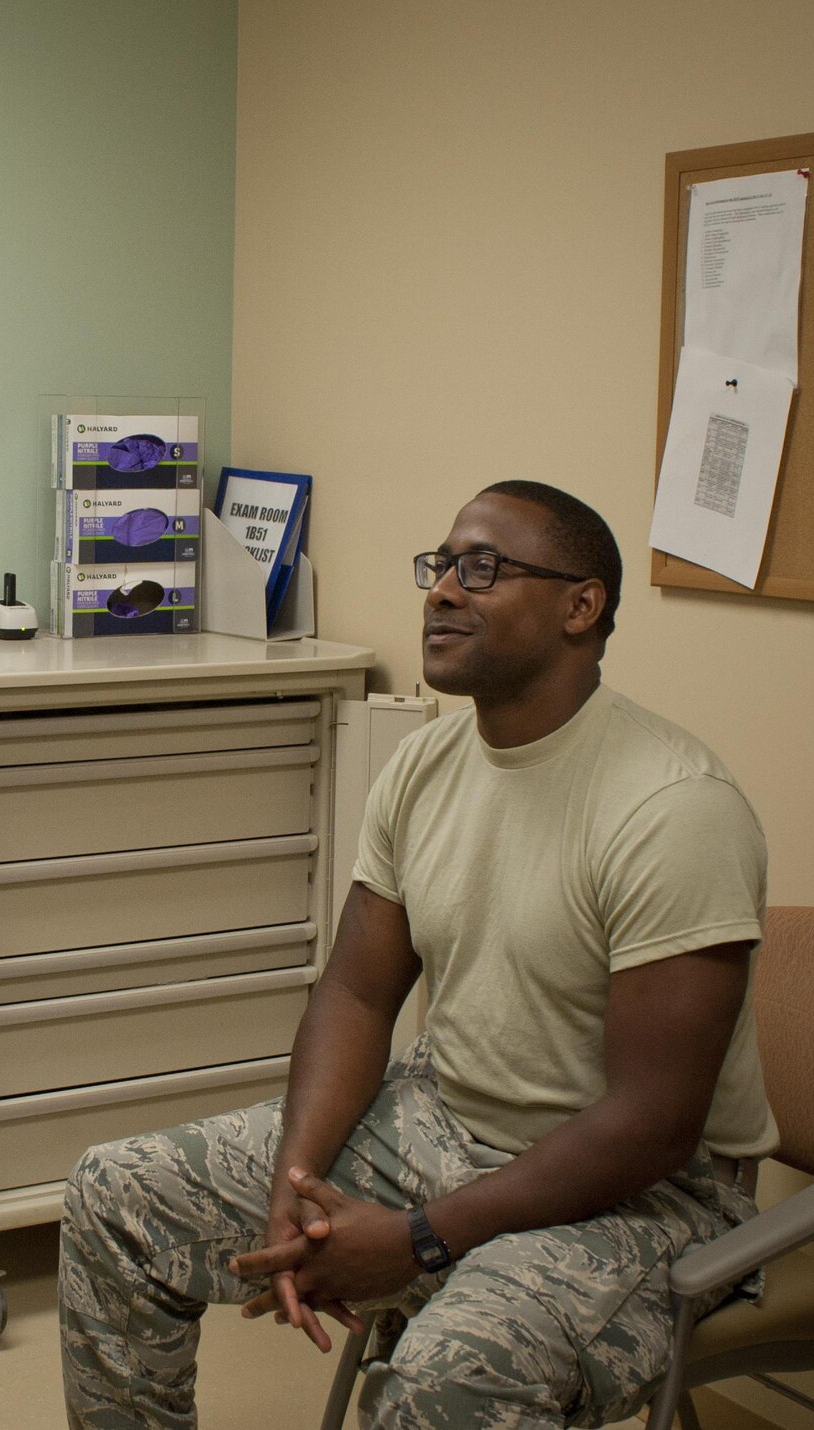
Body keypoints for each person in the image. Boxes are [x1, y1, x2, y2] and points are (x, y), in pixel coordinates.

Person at [59, 480, 775, 1429]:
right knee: (115, 1197)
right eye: (440, 565)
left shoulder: (674, 808)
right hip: (444, 1116)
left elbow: (653, 1123)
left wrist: (420, 1241)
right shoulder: (426, 766)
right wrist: (295, 1179)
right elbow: (356, 994)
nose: (441, 590)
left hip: (643, 1196)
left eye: (482, 568)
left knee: (450, 1376)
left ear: (581, 605)